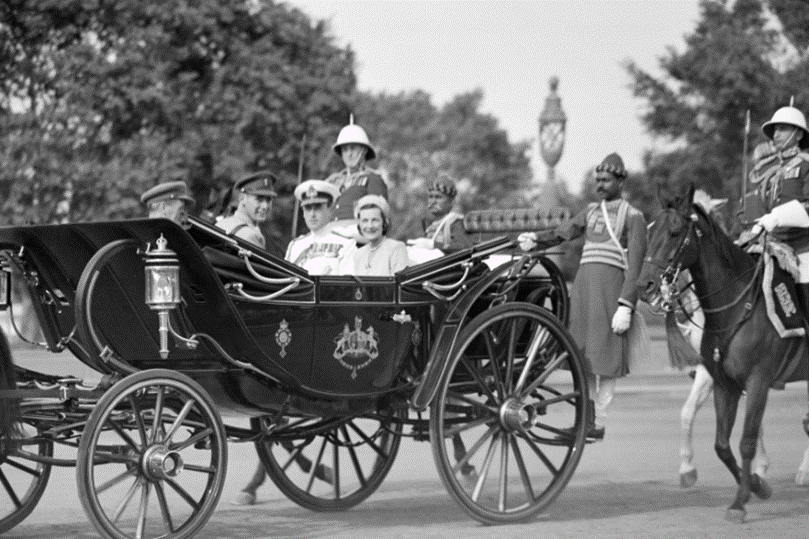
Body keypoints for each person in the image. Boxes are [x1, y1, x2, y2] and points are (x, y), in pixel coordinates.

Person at [518, 153, 647, 440]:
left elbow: (636, 264)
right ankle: (585, 420)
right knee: (584, 356)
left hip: (611, 294)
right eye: (597, 180)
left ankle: (599, 421)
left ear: (620, 180)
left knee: (608, 359)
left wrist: (626, 305)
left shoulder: (633, 216)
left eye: (606, 180)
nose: (600, 185)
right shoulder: (589, 212)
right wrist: (537, 239)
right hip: (584, 290)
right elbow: (564, 233)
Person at [748, 104, 809, 323]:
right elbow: (761, 208)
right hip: (771, 246)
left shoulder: (805, 166)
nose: (776, 134)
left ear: (799, 134)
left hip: (802, 248)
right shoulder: (771, 172)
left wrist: (777, 217)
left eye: (783, 128)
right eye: (775, 129)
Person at [325, 118, 388, 239]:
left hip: (357, 237)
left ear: (364, 150)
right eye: (345, 149)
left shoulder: (373, 179)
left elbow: (381, 220)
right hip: (328, 235)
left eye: (353, 148)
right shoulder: (332, 182)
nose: (349, 154)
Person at [285, 179, 355, 275]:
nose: (312, 214)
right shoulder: (295, 246)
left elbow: (346, 285)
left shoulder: (347, 244)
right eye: (308, 208)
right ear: (303, 213)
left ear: (330, 209)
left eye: (318, 208)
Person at [406, 173, 474, 261]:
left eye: (438, 197)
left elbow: (465, 248)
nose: (433, 201)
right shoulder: (430, 224)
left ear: (451, 202)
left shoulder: (456, 222)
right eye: (431, 197)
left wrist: (433, 245)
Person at [216, 171, 277, 249]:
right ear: (242, 198)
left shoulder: (221, 224)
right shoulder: (251, 236)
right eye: (259, 199)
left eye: (268, 200)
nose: (265, 206)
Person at [351, 195, 409, 276]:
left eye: (375, 220)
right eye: (365, 221)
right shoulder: (358, 254)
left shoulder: (396, 248)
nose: (370, 226)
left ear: (384, 222)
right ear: (359, 224)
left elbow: (399, 285)